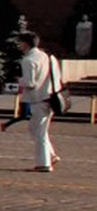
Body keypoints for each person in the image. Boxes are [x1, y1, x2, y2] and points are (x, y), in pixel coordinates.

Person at [14, 30, 62, 173]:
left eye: (20, 42)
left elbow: (30, 83)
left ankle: (44, 163)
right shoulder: (46, 56)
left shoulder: (28, 60)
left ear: (25, 43)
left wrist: (19, 81)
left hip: (38, 98)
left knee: (38, 131)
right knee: (38, 129)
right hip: (50, 96)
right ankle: (50, 155)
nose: (19, 45)